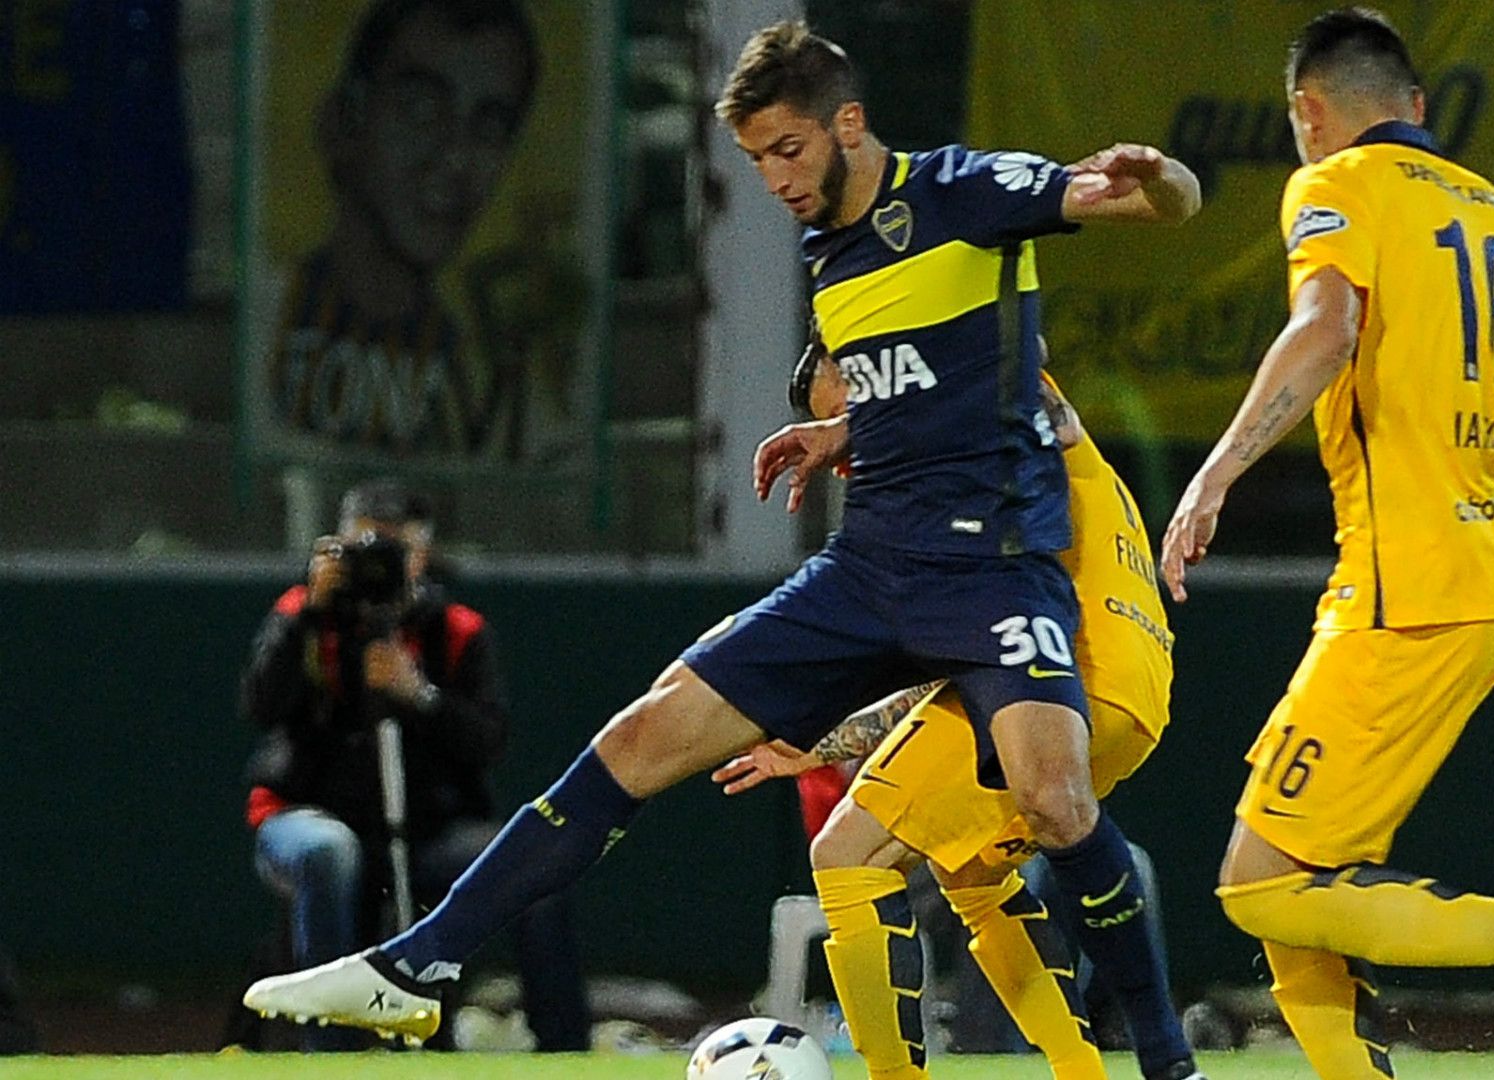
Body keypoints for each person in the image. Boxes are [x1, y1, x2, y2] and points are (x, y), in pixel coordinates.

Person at [243, 17, 1201, 1062]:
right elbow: (928, 386)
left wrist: (1161, 180)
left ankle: (1165, 1060)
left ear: (849, 124)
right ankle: (419, 964)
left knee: (1055, 803)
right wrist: (844, 428)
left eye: (788, 149)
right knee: (642, 735)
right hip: (869, 568)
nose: (776, 178)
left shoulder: (960, 192)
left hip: (992, 568)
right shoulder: (826, 247)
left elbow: (1141, 206)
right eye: (755, 160)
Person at [1158, 10, 1494, 1080]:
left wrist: (1218, 470)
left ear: (1308, 113)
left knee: (1261, 881)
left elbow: (1326, 325)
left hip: (1408, 595)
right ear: (1420, 109)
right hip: (1475, 589)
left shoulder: (1335, 186)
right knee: (1298, 875)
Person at [712, 347, 1196, 1080]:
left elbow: (1009, 356)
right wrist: (820, 742)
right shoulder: (991, 466)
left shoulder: (991, 396)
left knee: (845, 855)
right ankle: (1082, 1071)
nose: (844, 447)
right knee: (973, 878)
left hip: (1072, 677)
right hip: (1128, 694)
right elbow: (962, 668)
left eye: (846, 410)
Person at [240, 479, 588, 1051]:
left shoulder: (456, 630)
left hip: (429, 830)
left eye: (392, 551)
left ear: (422, 556)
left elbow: (487, 741)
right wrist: (310, 616)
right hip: (309, 815)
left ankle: (564, 1051)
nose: (375, 568)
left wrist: (419, 694)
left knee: (536, 867)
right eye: (361, 551)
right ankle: (331, 1054)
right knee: (329, 853)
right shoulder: (302, 615)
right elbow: (259, 707)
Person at [268, 0, 549, 455]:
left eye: (489, 127)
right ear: (345, 119)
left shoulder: (481, 377)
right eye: (421, 108)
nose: (455, 158)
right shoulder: (270, 325)